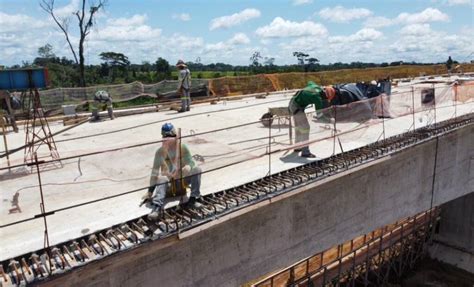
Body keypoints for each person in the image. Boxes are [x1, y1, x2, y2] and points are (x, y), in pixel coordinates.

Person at [144, 123, 202, 219]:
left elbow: (191, 162)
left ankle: (192, 199)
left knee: (197, 169)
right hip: (168, 187)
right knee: (162, 178)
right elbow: (154, 173)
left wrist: (188, 167)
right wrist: (150, 191)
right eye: (166, 137)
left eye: (172, 136)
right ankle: (157, 208)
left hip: (181, 183)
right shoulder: (160, 152)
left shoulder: (182, 148)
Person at [288, 81, 326, 158]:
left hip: (292, 103)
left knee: (299, 127)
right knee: (305, 128)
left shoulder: (315, 87)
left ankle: (297, 147)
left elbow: (309, 82)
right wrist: (329, 119)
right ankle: (305, 152)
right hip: (297, 108)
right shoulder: (317, 98)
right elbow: (320, 115)